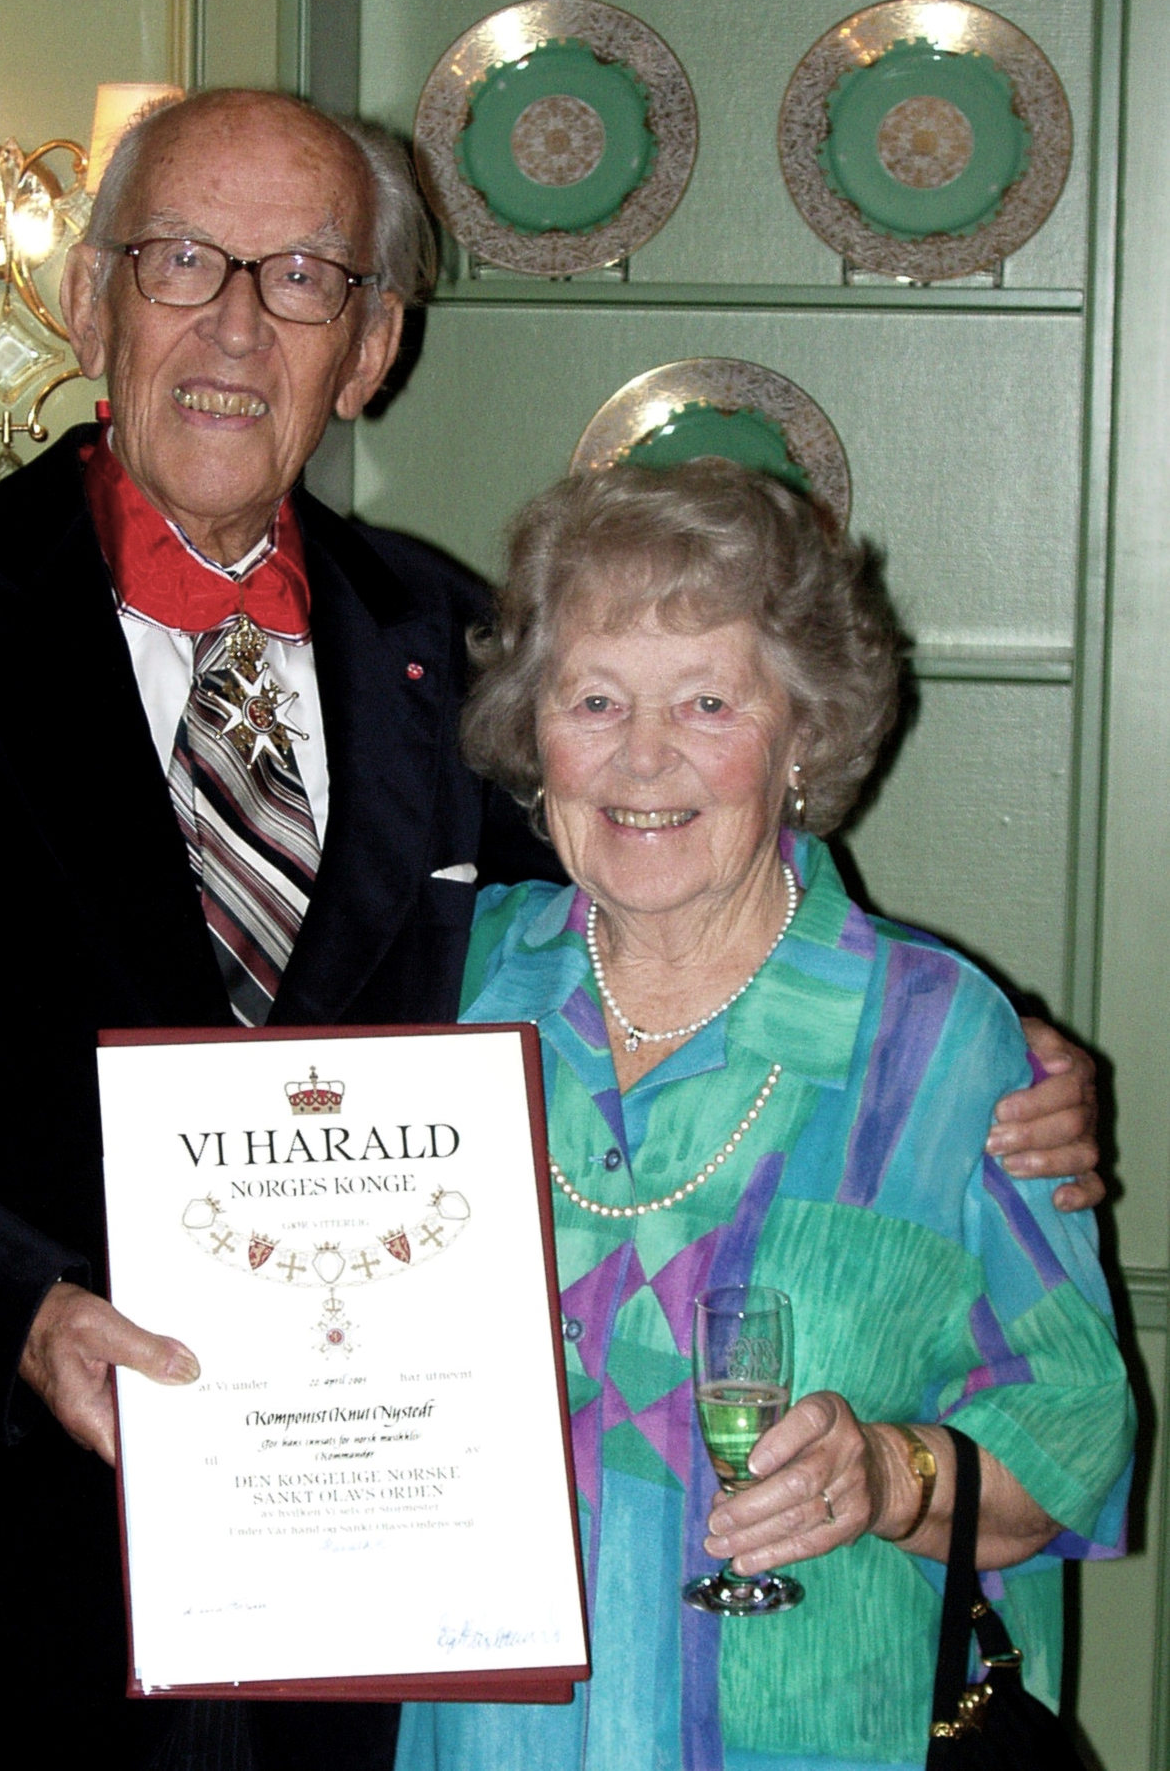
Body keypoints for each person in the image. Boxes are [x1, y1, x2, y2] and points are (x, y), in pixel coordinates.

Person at [0, 90, 1098, 1769]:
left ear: (375, 343)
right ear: (90, 294)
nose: (234, 323)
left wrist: (964, 1045)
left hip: (386, 1610)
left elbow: (650, 889)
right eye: (183, 259)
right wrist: (13, 1311)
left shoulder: (450, 634)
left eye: (304, 275)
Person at [397, 462, 1132, 1771]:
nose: (643, 757)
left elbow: (1074, 1431)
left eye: (709, 701)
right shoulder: (441, 985)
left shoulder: (934, 1040)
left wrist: (886, 1475)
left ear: (801, 737)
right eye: (597, 698)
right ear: (534, 729)